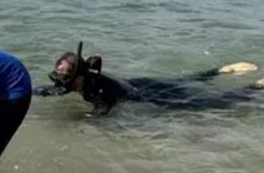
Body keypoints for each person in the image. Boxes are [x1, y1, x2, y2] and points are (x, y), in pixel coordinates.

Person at [36, 42, 262, 116]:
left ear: (79, 76)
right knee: (179, 80)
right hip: (136, 81)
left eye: (65, 78)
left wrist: (82, 119)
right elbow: (52, 90)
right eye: (59, 77)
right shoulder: (79, 81)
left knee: (203, 106)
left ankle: (255, 87)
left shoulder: (98, 91)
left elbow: (102, 113)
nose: (60, 83)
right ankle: (219, 71)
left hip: (144, 94)